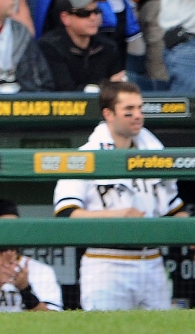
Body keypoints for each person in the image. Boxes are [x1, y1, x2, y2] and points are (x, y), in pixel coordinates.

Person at [53, 81, 189, 311]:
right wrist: (118, 216)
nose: (137, 116)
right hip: (106, 261)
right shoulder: (86, 155)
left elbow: (173, 209)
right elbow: (66, 213)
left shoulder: (155, 151)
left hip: (152, 260)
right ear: (109, 114)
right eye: (129, 111)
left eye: (139, 108)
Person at [0, 199, 63, 312]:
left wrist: (25, 290)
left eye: (15, 226)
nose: (10, 231)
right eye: (4, 226)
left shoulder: (42, 271)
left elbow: (54, 320)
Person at [37, 0, 125, 90]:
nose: (93, 18)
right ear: (65, 18)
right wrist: (106, 86)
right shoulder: (49, 47)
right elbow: (64, 92)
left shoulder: (108, 47)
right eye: (84, 13)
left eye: (96, 11)